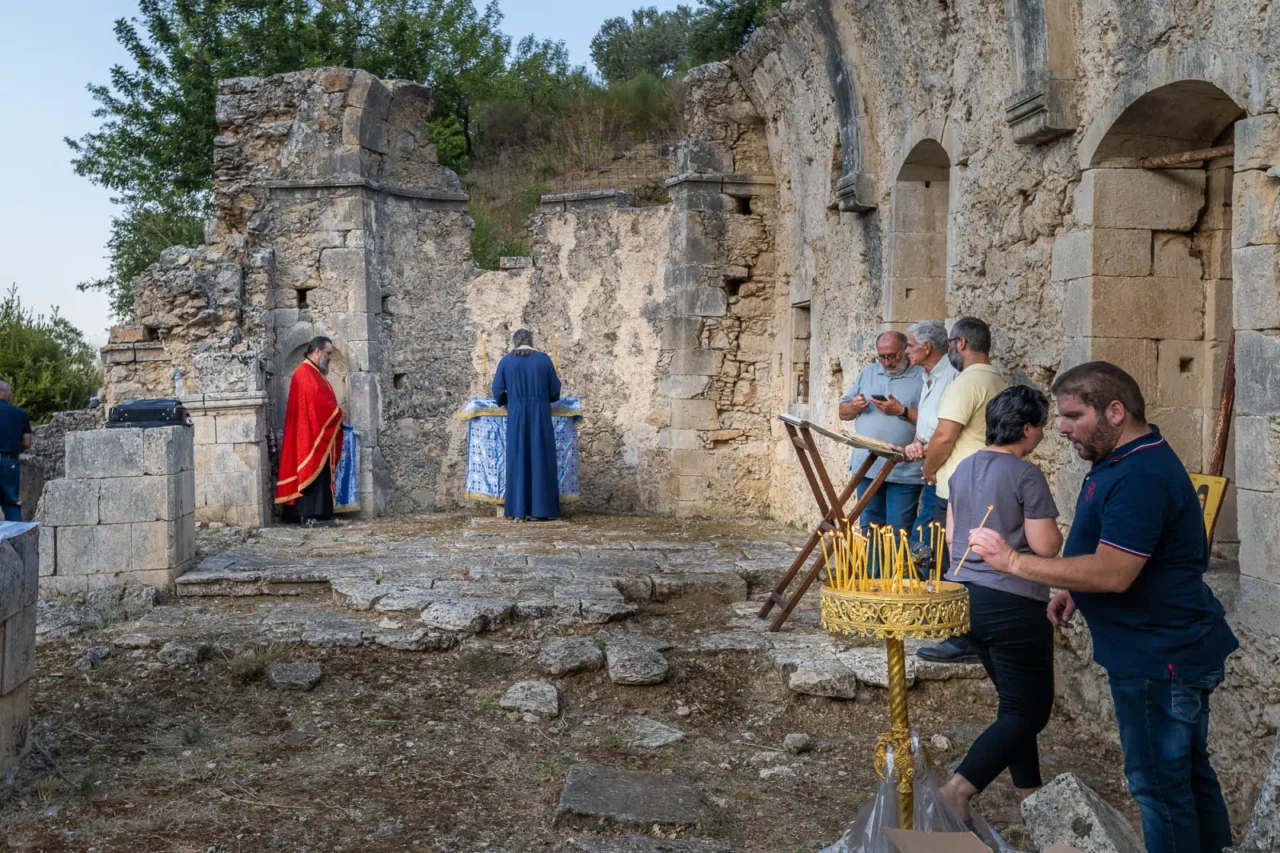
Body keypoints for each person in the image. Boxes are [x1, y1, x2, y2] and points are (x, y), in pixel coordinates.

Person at [970, 362, 1238, 853]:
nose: (1062, 427)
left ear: (1115, 411)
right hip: (1157, 648)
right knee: (1189, 778)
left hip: (1159, 656)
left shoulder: (1141, 474)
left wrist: (1012, 561)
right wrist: (1076, 588)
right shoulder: (1119, 460)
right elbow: (1116, 552)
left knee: (1159, 788)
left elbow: (1115, 572)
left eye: (1073, 415)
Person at [936, 385, 1062, 820]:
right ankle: (958, 789)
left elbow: (953, 537)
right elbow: (1045, 547)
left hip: (965, 595)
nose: (1043, 435)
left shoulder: (963, 467)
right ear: (1027, 428)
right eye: (1041, 427)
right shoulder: (1026, 475)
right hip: (1013, 601)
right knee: (1030, 711)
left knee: (1014, 706)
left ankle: (1031, 795)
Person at [918, 317, 1007, 663]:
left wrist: (928, 469)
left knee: (953, 560)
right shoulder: (998, 380)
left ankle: (959, 637)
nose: (950, 350)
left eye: (951, 343)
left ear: (962, 344)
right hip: (987, 481)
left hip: (958, 484)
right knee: (976, 560)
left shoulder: (964, 383)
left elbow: (944, 436)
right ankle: (972, 633)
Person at [838, 331, 925, 572]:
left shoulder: (921, 376)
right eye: (882, 357)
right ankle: (874, 582)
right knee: (870, 528)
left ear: (906, 350)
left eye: (892, 356)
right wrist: (854, 407)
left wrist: (901, 411)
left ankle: (893, 585)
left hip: (904, 470)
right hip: (867, 468)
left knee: (898, 531)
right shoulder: (868, 373)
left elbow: (933, 421)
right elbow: (842, 411)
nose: (887, 362)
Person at [899, 320, 960, 554]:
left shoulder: (953, 376)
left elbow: (949, 430)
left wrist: (924, 452)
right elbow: (927, 419)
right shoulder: (928, 375)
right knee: (926, 528)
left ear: (926, 347)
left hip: (945, 466)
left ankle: (924, 582)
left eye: (910, 345)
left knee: (929, 532)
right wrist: (916, 443)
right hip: (931, 461)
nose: (906, 350)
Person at [493, 329, 562, 520]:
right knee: (541, 457)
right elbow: (555, 391)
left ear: (514, 343)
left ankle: (518, 510)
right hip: (540, 412)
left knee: (518, 457)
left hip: (516, 413)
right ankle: (542, 511)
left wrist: (509, 400)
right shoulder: (543, 360)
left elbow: (497, 390)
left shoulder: (506, 361)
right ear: (532, 341)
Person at [275, 337, 344, 527]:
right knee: (311, 469)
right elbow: (317, 402)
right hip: (308, 433)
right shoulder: (304, 373)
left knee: (320, 472)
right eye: (328, 353)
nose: (330, 357)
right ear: (317, 352)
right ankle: (309, 514)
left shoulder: (314, 373)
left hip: (315, 431)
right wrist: (336, 412)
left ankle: (320, 513)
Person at [0, 381, 33, 522]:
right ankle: (16, 542)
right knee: (11, 505)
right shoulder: (20, 414)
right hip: (10, 461)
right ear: (8, 395)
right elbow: (27, 443)